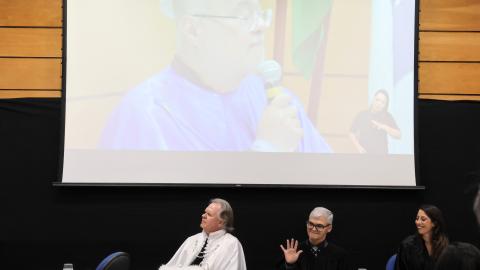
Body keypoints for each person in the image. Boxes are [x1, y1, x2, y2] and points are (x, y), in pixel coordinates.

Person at [100, 0, 331, 153]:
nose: (261, 26)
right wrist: (266, 151)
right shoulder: (144, 112)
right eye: (243, 16)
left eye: (260, 15)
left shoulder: (275, 101)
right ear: (193, 30)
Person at [159, 198, 246, 270]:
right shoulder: (192, 240)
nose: (203, 215)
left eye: (209, 214)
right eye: (205, 212)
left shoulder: (231, 243)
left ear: (221, 222)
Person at [276, 207, 351, 270]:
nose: (314, 229)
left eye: (319, 226)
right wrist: (290, 265)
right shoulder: (294, 252)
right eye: (310, 224)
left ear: (329, 228)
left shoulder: (339, 255)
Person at [395, 204, 449, 270]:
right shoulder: (407, 246)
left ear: (434, 223)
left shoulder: (443, 245)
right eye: (417, 218)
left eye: (423, 219)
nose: (418, 222)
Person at [349, 89, 401, 154]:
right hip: (364, 156)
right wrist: (358, 147)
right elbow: (351, 132)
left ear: (385, 105)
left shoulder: (387, 116)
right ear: (373, 99)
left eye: (383, 102)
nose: (379, 104)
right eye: (377, 100)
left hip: (382, 157)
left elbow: (398, 135)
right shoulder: (362, 114)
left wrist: (384, 127)